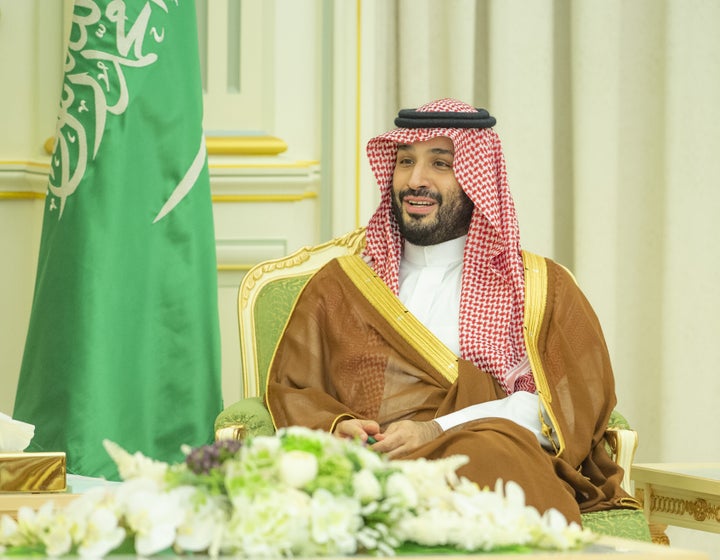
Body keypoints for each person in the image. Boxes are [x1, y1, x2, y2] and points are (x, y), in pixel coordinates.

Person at [265, 98, 640, 524]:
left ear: (478, 179)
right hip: (374, 465)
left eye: (440, 164)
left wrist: (437, 430)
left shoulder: (540, 287)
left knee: (489, 453)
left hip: (490, 461)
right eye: (405, 161)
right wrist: (338, 426)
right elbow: (292, 388)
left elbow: (565, 409)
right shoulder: (341, 285)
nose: (415, 180)